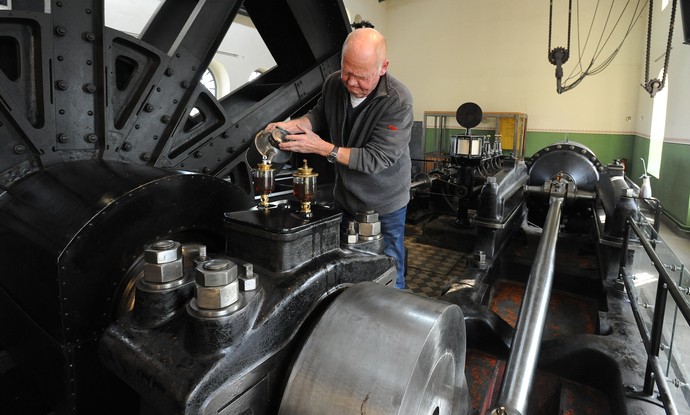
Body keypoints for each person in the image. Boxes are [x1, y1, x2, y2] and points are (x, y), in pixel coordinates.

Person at [266, 28, 413, 289]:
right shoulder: (335, 83)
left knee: (389, 268)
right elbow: (319, 115)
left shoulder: (398, 101)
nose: (351, 83)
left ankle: (393, 313)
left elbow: (375, 159)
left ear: (383, 67)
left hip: (385, 204)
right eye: (347, 72)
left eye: (361, 77)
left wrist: (322, 147)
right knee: (346, 262)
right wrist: (293, 125)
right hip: (345, 198)